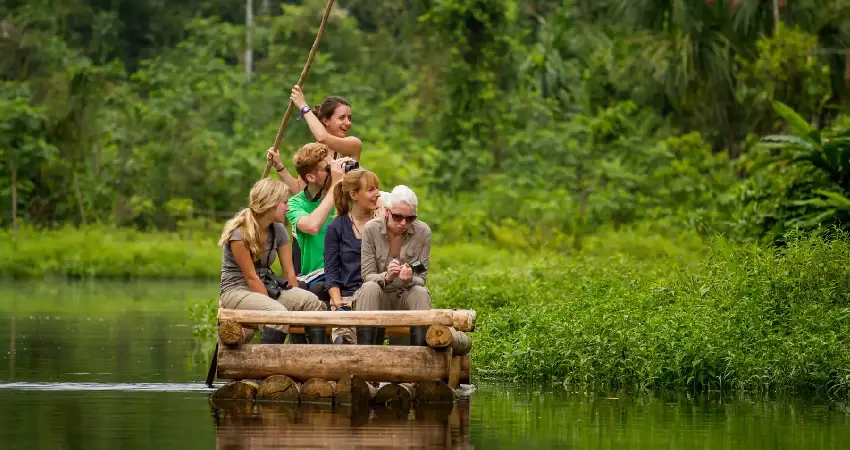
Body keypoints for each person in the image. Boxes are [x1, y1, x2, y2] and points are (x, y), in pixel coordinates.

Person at [218, 178, 328, 345]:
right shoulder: (239, 234)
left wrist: (297, 300)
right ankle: (266, 363)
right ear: (270, 204)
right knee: (277, 315)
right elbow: (251, 277)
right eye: (284, 203)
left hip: (267, 285)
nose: (288, 207)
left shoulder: (278, 229)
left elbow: (289, 272)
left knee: (313, 303)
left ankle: (314, 358)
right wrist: (274, 309)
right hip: (237, 290)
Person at [356, 185, 432, 346]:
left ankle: (421, 356)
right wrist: (387, 276)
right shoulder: (371, 229)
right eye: (398, 217)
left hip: (406, 295)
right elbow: (367, 275)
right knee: (369, 288)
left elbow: (421, 277)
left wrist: (409, 279)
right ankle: (365, 353)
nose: (404, 223)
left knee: (420, 292)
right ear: (387, 211)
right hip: (379, 295)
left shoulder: (423, 232)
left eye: (410, 218)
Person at [285, 143, 354, 303]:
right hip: (312, 275)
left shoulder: (347, 195)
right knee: (299, 290)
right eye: (327, 169)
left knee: (317, 291)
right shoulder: (295, 203)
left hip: (342, 272)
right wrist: (335, 186)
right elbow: (312, 226)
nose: (333, 172)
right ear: (311, 177)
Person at [323, 169, 383, 344]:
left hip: (377, 296)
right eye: (371, 190)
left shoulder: (385, 223)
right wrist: (337, 302)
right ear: (354, 195)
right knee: (342, 341)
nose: (378, 194)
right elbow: (331, 272)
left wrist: (380, 229)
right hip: (347, 297)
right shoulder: (336, 227)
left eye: (377, 188)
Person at [266, 86, 362, 194]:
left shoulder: (354, 144)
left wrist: (303, 105)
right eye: (342, 118)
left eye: (349, 118)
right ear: (326, 121)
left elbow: (322, 137)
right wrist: (279, 166)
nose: (348, 123)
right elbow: (300, 190)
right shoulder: (314, 152)